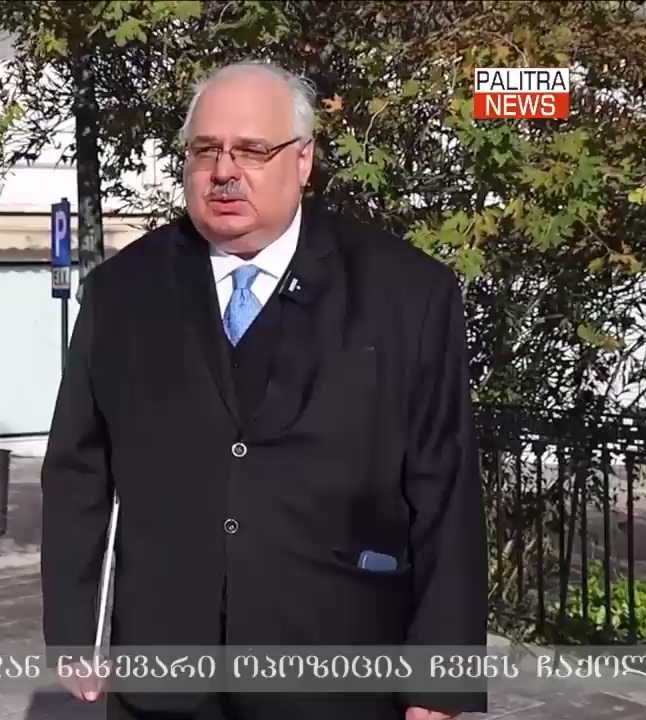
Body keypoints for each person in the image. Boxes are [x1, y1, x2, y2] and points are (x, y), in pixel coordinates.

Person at [40, 60, 487, 720]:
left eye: (252, 150)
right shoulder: (121, 293)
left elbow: (445, 488)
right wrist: (72, 626)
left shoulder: (406, 295)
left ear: (303, 160)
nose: (224, 171)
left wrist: (441, 678)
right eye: (205, 150)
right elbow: (79, 469)